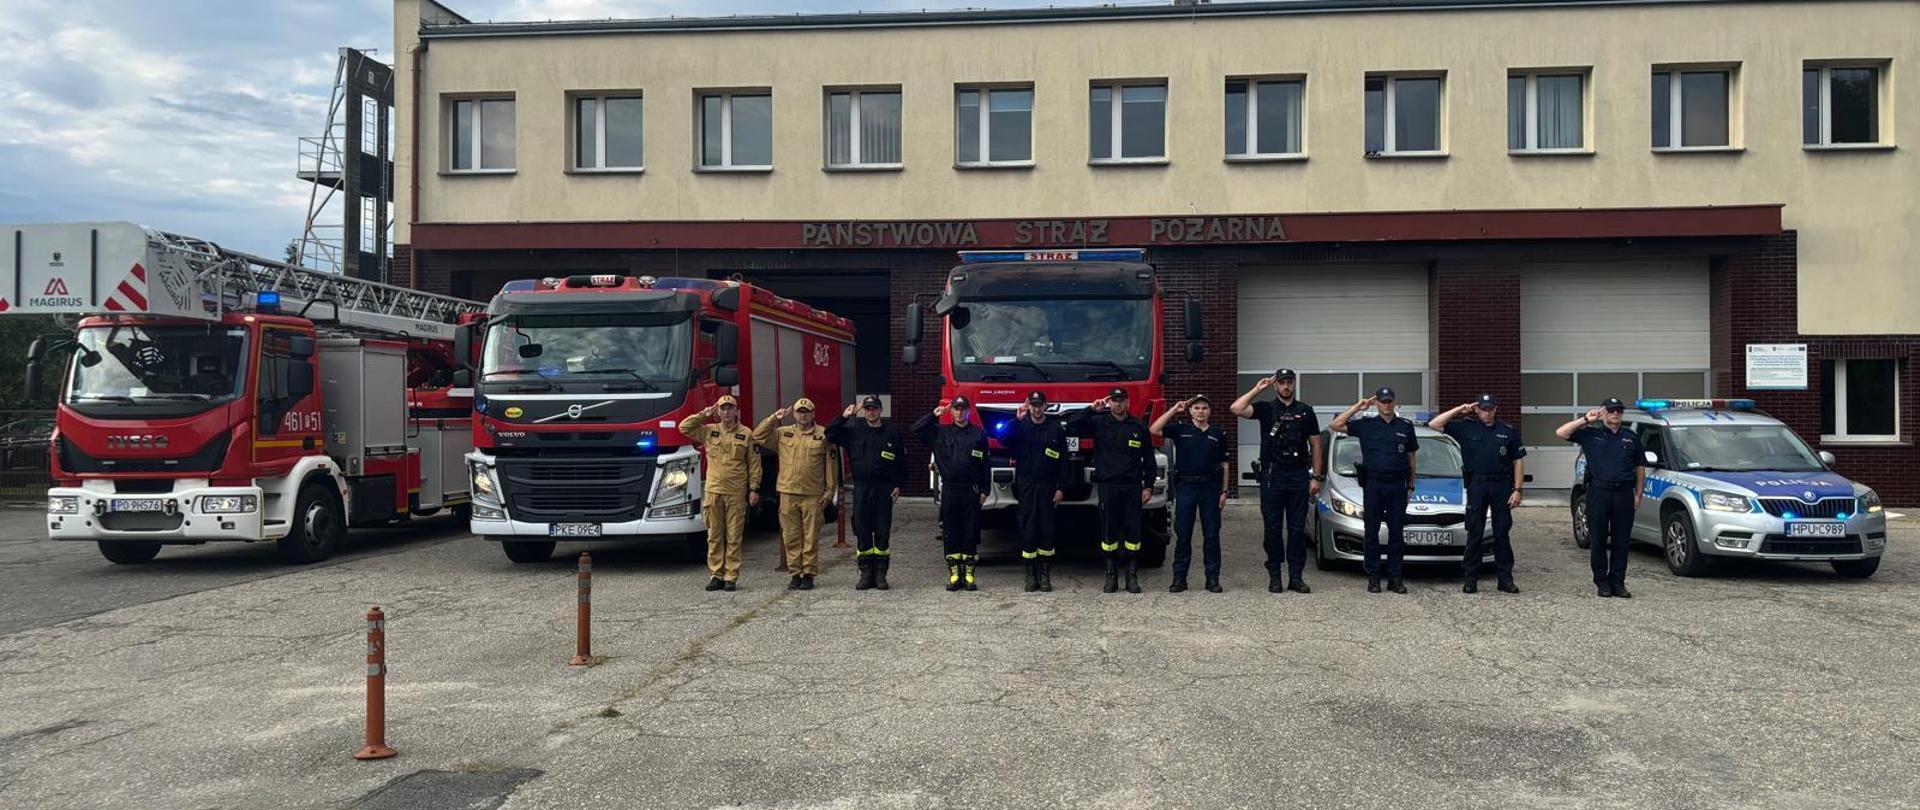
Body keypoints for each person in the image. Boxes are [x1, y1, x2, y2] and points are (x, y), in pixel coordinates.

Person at [1231, 370, 1324, 594]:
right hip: (1272, 475)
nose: (1285, 386)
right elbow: (1236, 408)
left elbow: (1316, 445)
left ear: (1294, 384)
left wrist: (1316, 476)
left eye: (1289, 382)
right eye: (1281, 383)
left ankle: (1296, 577)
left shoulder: (1305, 411)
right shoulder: (1266, 409)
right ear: (1276, 386)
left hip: (1298, 476)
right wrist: (1258, 388)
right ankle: (1275, 577)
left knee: (1296, 529)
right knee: (1272, 530)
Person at [1430, 394, 1525, 594]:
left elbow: (1518, 460)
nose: (1487, 412)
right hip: (1477, 485)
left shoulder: (1507, 431)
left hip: (1501, 486)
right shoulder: (1466, 428)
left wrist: (1517, 489)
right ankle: (1470, 579)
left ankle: (1505, 580)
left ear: (1495, 409)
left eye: (1490, 408)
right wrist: (1459, 409)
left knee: (1501, 534)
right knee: (1475, 534)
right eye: (1483, 408)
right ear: (1477, 409)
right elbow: (1434, 424)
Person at [1066, 388, 1158, 594]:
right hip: (1108, 486)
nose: (1118, 405)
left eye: (1121, 400)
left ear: (1127, 402)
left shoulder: (1139, 426)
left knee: (1133, 532)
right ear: (1110, 403)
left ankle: (1132, 576)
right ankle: (1111, 574)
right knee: (1109, 532)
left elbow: (1149, 461)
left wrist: (1149, 486)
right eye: (1114, 401)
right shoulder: (1099, 423)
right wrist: (1091, 409)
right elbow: (1072, 426)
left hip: (1132, 487)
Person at [1330, 387, 1418, 594]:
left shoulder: (1405, 426)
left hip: (1397, 485)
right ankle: (1374, 577)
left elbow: (1411, 458)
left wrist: (1410, 485)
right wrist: (1358, 407)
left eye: (1389, 401)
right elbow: (1335, 425)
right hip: (1374, 485)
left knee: (1397, 534)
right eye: (1383, 401)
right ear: (1377, 403)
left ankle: (1395, 578)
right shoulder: (1366, 425)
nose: (1386, 405)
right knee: (1371, 533)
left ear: (1394, 402)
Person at [1556, 397, 1646, 599]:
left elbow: (1640, 469)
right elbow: (1561, 433)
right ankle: (1602, 582)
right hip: (1599, 492)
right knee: (1598, 539)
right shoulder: (1591, 434)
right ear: (1603, 413)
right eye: (1611, 410)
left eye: (1619, 411)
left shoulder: (1631, 438)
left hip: (1623, 493)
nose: (1615, 414)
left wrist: (1638, 495)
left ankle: (1618, 582)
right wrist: (1585, 419)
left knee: (1622, 541)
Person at [753, 398, 839, 591]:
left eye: (806, 412)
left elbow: (830, 465)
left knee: (810, 537)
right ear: (794, 414)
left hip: (812, 494)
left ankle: (808, 573)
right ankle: (795, 573)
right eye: (800, 412)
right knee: (791, 536)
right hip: (788, 492)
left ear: (813, 414)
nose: (803, 415)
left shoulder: (823, 435)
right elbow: (758, 435)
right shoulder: (783, 433)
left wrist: (829, 490)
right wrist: (774, 418)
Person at [678, 395, 762, 592]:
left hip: (735, 491)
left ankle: (731, 575)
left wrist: (754, 488)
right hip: (714, 490)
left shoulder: (746, 434)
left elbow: (754, 464)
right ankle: (716, 574)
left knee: (734, 536)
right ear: (718, 411)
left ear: (736, 411)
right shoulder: (709, 431)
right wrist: (703, 414)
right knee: (714, 535)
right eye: (722, 409)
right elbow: (684, 427)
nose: (726, 412)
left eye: (730, 408)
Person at [825, 396, 907, 591]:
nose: (871, 412)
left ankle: (880, 574)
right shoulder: (854, 432)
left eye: (874, 409)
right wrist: (845, 416)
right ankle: (865, 573)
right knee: (862, 532)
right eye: (868, 409)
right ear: (863, 412)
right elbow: (830, 433)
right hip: (862, 489)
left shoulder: (891, 433)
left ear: (880, 410)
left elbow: (902, 464)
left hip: (883, 489)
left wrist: (898, 485)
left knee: (882, 533)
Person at [1151, 394, 1230, 593]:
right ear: (1190, 411)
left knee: (1211, 535)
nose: (1200, 411)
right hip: (1186, 487)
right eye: (1196, 408)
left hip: (1210, 488)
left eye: (1204, 408)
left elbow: (1225, 465)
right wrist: (1173, 409)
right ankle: (1179, 579)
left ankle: (1212, 579)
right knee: (1183, 534)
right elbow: (1154, 429)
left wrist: (1224, 491)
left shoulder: (1218, 434)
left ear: (1209, 411)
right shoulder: (1181, 430)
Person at [913, 396, 989, 591]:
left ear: (968, 411)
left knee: (970, 532)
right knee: (951, 532)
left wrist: (985, 489)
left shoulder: (978, 435)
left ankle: (969, 575)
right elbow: (915, 429)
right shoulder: (940, 433)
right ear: (951, 410)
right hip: (950, 489)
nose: (960, 412)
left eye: (963, 408)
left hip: (971, 490)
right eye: (956, 408)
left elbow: (984, 465)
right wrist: (933, 415)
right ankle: (955, 574)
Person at [1004, 390, 1067, 592]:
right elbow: (1002, 438)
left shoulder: (1055, 429)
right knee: (1028, 529)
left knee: (1047, 530)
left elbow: (1063, 461)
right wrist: (1016, 419)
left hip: (1048, 486)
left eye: (1040, 405)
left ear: (1045, 407)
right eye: (1033, 405)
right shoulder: (1021, 428)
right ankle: (1030, 575)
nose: (1037, 409)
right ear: (1028, 406)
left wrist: (1060, 488)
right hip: (1027, 485)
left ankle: (1045, 574)